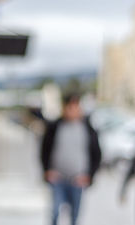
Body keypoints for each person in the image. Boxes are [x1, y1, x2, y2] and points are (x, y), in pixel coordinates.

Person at [40, 93, 101, 225]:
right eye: (69, 107)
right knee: (55, 212)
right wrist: (47, 170)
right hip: (58, 179)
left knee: (75, 216)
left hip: (77, 180)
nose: (72, 110)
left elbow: (97, 155)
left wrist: (89, 175)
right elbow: (44, 150)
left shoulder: (88, 129)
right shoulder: (55, 126)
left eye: (75, 107)